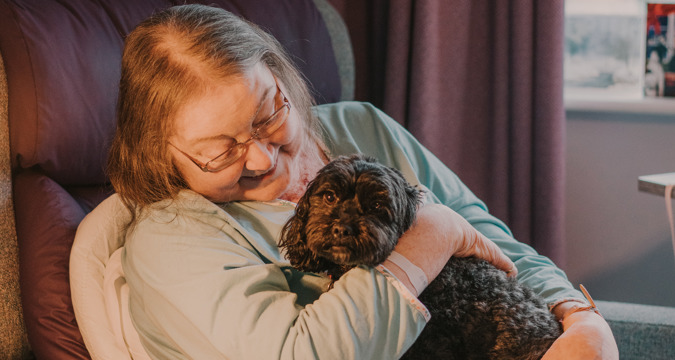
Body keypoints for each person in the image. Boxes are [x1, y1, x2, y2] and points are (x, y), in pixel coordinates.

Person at [106, 4, 618, 359]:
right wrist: (431, 237)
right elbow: (302, 353)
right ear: (157, 153)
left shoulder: (361, 126)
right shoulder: (170, 238)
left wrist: (580, 319)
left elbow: (490, 239)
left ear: (282, 77)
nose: (263, 158)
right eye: (220, 152)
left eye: (269, 114)